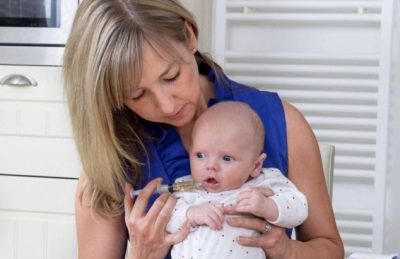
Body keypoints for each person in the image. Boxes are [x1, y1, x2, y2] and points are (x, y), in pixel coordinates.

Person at [62, 0, 344, 258]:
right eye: (137, 95)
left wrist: (286, 250)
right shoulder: (110, 159)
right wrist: (142, 254)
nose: (166, 105)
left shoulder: (282, 121)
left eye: (171, 76)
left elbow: (330, 249)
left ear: (189, 36)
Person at [166, 101, 308, 259]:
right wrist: (192, 214)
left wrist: (268, 206)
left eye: (226, 158)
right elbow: (168, 222)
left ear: (255, 165)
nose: (210, 166)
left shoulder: (263, 182)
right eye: (200, 155)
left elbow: (299, 207)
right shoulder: (186, 187)